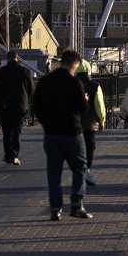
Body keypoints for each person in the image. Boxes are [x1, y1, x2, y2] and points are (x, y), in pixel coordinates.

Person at [32, 50, 90, 220]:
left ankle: (55, 208)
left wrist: (45, 123)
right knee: (79, 168)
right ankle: (76, 204)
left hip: (51, 133)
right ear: (74, 64)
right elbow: (83, 108)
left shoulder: (45, 81)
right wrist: (85, 98)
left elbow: (36, 105)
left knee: (54, 172)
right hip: (72, 132)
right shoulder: (74, 83)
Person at [0, 50, 35, 165]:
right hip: (20, 106)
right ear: (18, 58)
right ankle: (14, 154)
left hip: (5, 107)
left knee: (6, 133)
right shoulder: (25, 71)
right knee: (16, 131)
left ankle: (7, 154)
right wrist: (27, 101)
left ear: (7, 58)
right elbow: (31, 89)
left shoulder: (1, 72)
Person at [76, 61, 107, 186]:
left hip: (74, 123)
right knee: (90, 147)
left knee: (77, 147)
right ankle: (86, 170)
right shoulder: (94, 86)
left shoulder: (71, 85)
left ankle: (79, 170)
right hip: (90, 122)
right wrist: (101, 121)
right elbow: (99, 105)